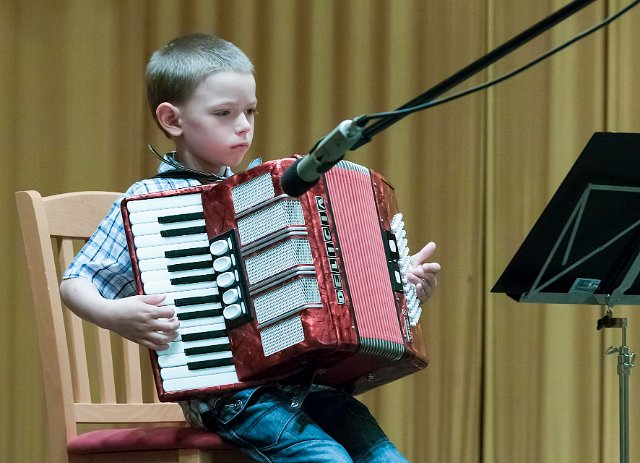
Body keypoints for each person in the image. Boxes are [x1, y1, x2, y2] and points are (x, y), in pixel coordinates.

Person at [60, 33, 441, 463]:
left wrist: (396, 283)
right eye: (224, 113)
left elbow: (331, 278)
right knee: (325, 459)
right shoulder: (150, 202)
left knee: (386, 459)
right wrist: (115, 314)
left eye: (250, 111)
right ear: (172, 119)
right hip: (232, 397)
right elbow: (78, 280)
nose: (243, 125)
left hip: (306, 385)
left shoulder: (268, 190)